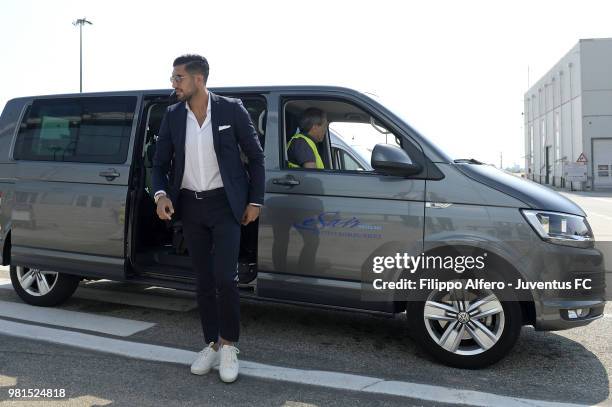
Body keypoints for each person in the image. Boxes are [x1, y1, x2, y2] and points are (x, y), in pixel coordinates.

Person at [152, 54, 265, 383]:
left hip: (225, 205)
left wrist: (255, 200)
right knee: (202, 280)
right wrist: (161, 196)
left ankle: (230, 345)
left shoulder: (231, 109)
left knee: (225, 278)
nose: (174, 83)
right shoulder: (173, 115)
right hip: (190, 206)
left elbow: (256, 158)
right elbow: (158, 164)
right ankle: (211, 343)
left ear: (198, 79)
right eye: (173, 78)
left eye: (178, 78)